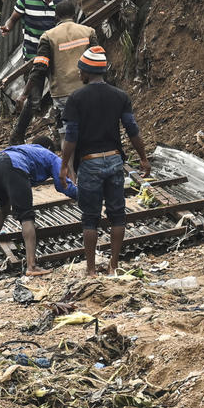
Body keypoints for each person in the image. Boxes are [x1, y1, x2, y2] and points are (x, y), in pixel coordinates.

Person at [60, 46, 150, 277]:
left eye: (80, 70)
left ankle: (91, 270)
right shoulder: (120, 96)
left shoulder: (76, 98)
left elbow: (71, 137)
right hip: (114, 161)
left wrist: (64, 165)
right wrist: (143, 157)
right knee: (117, 214)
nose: (79, 74)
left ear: (86, 72)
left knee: (90, 218)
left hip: (89, 163)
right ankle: (114, 265)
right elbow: (132, 130)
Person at [0, 136, 78, 277]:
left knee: (3, 209)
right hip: (13, 165)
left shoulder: (25, 149)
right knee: (26, 216)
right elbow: (63, 185)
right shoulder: (50, 155)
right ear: (49, 148)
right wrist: (84, 195)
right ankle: (32, 266)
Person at [11, 0, 97, 144]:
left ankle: (68, 165)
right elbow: (98, 60)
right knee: (90, 127)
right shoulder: (88, 32)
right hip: (87, 90)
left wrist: (24, 94)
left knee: (67, 133)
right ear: (74, 15)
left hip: (63, 92)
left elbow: (39, 69)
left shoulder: (48, 37)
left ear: (56, 17)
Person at [0, 0, 66, 61]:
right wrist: (7, 27)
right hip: (31, 59)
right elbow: (13, 19)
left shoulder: (63, 3)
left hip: (54, 58)